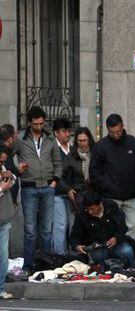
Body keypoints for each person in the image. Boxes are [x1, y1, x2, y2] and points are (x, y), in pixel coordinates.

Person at [15, 106, 63, 272]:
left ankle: (46, 264)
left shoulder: (50, 139)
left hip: (48, 187)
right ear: (29, 123)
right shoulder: (21, 139)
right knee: (30, 230)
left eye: (41, 123)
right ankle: (28, 266)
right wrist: (16, 168)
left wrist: (55, 181)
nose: (38, 127)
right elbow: (7, 155)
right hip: (29, 188)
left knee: (46, 230)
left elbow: (58, 162)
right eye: (35, 124)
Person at [89, 114, 135, 242]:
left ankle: (129, 253)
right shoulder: (101, 146)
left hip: (132, 195)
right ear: (107, 130)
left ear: (122, 126)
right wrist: (106, 185)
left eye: (118, 131)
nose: (116, 135)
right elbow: (94, 171)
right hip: (110, 196)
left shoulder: (133, 142)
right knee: (111, 227)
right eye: (112, 132)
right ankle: (113, 257)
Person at [70, 190, 135, 268]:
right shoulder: (82, 214)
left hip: (116, 243)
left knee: (126, 251)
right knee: (98, 256)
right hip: (96, 246)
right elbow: (75, 234)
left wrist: (116, 238)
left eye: (92, 209)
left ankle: (131, 270)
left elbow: (122, 227)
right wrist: (76, 246)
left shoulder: (111, 206)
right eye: (87, 209)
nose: (90, 212)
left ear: (100, 205)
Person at [60, 127, 95, 209]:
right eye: (79, 141)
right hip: (79, 193)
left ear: (89, 139)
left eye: (84, 140)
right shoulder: (71, 155)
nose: (82, 143)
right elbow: (60, 175)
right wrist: (68, 189)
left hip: (95, 193)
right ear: (76, 141)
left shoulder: (96, 152)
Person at [52, 118, 72, 255]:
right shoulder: (53, 149)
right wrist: (67, 189)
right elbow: (54, 173)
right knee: (60, 225)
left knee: (70, 226)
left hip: (73, 193)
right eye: (64, 131)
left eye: (68, 131)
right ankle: (59, 256)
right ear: (56, 133)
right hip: (58, 193)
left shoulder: (72, 148)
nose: (67, 134)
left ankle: (69, 254)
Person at [0, 146, 16, 299]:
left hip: (4, 218)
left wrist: (9, 175)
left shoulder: (3, 167)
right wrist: (1, 188)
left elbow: (14, 180)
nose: (2, 163)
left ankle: (0, 288)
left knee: (3, 256)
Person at [0, 124, 23, 204]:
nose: (17, 139)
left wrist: (14, 173)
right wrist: (1, 189)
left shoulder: (8, 152)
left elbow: (9, 174)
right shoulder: (4, 154)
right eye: (16, 137)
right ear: (10, 139)